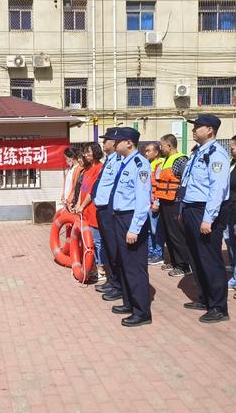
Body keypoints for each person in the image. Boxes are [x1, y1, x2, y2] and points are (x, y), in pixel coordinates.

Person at [180, 114, 230, 323]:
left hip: (206, 211)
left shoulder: (216, 154)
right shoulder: (197, 153)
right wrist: (183, 210)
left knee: (210, 259)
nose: (194, 129)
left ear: (210, 130)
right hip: (192, 209)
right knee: (196, 257)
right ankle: (205, 298)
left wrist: (208, 219)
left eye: (198, 126)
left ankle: (219, 307)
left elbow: (216, 190)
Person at [109, 127, 152, 327]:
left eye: (117, 141)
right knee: (124, 263)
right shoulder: (123, 163)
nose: (114, 144)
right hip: (120, 217)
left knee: (135, 267)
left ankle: (142, 312)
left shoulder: (139, 164)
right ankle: (129, 303)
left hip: (131, 219)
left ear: (129, 143)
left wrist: (134, 229)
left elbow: (143, 201)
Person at [92, 128, 124, 300]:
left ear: (115, 142)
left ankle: (118, 284)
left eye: (107, 140)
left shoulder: (119, 162)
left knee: (114, 248)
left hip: (110, 211)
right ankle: (112, 280)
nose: (104, 143)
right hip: (102, 210)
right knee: (107, 249)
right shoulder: (109, 161)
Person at [154, 134, 192, 277]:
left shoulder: (180, 160)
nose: (160, 148)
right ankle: (175, 261)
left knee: (177, 234)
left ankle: (184, 265)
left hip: (175, 203)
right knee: (168, 234)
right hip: (165, 201)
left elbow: (186, 181)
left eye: (162, 145)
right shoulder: (165, 160)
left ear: (169, 146)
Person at [74, 142, 105, 281]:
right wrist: (79, 204)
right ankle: (91, 267)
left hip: (94, 210)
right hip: (85, 211)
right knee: (88, 241)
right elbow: (82, 189)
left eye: (88, 152)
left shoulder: (100, 168)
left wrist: (83, 205)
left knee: (97, 241)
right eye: (85, 152)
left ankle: (101, 269)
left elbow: (93, 191)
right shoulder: (87, 170)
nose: (86, 155)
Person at [144, 142, 165, 265]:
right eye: (146, 151)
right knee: (148, 230)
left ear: (156, 152)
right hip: (147, 203)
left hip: (154, 203)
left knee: (155, 229)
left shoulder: (159, 165)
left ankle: (158, 253)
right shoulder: (149, 164)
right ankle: (151, 252)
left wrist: (157, 201)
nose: (146, 153)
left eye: (149, 151)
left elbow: (160, 185)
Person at [227, 134, 236, 301]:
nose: (230, 150)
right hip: (232, 212)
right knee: (234, 250)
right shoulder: (234, 163)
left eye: (233, 148)